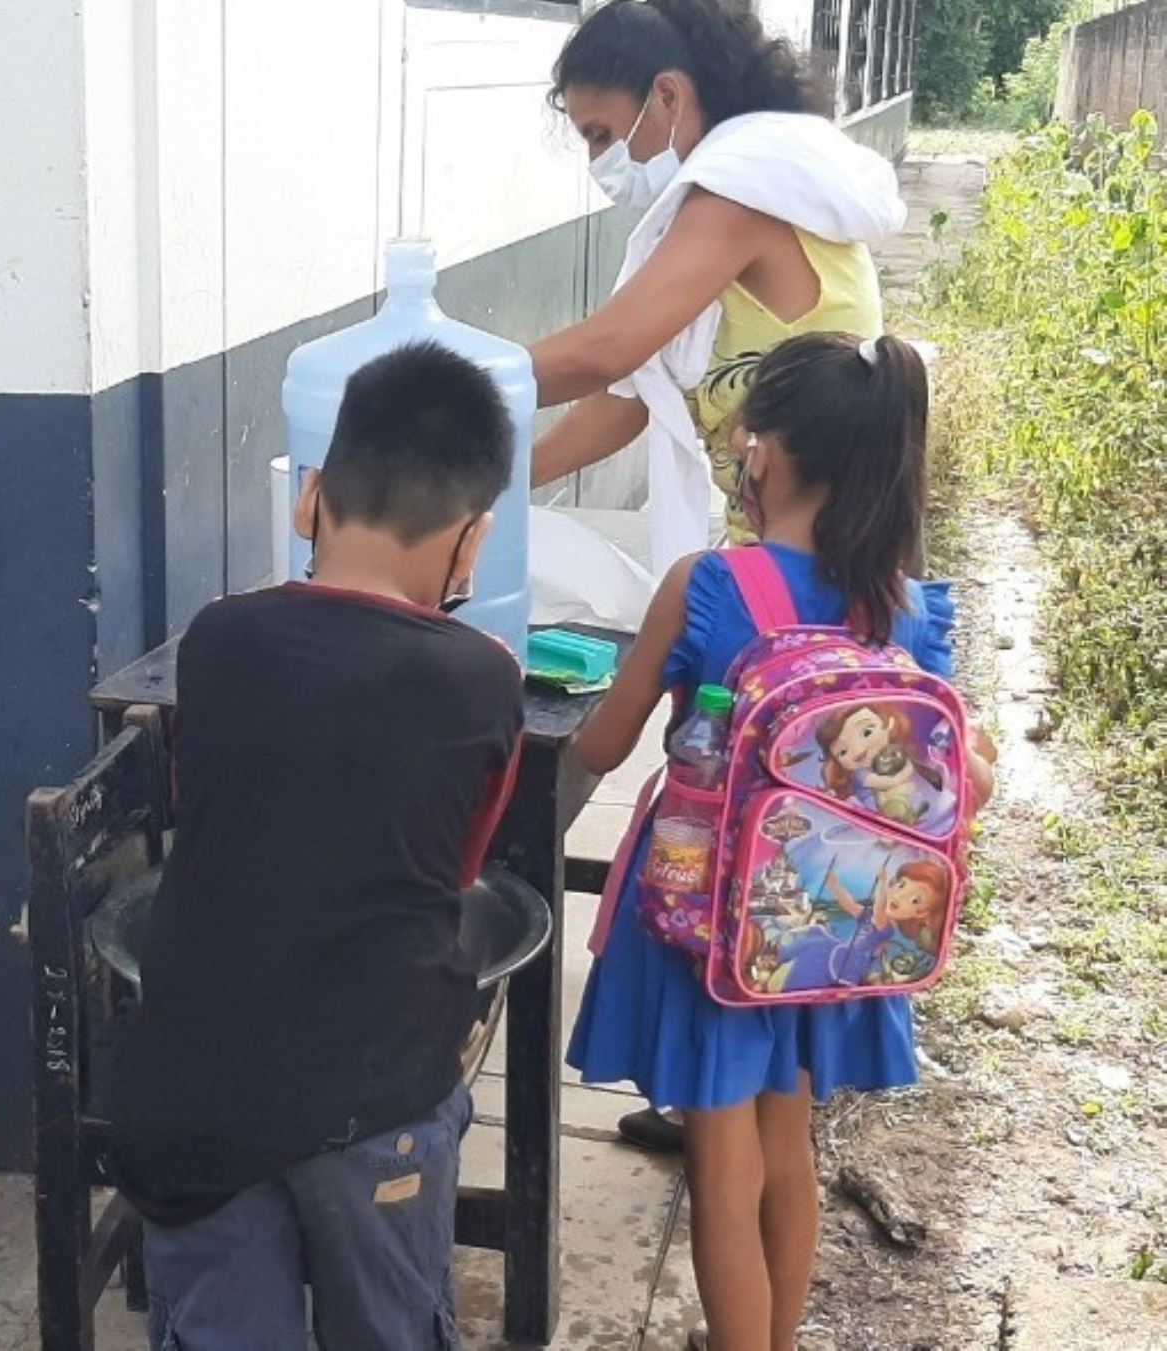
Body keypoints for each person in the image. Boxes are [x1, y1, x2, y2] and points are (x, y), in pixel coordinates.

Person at [566, 332, 996, 1351]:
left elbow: (603, 740)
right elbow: (962, 780)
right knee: (787, 1145)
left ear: (763, 452)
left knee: (723, 1165)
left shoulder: (709, 583)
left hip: (711, 927)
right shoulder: (902, 608)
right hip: (834, 930)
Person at [114, 342, 526, 1351]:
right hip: (375, 1094)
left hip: (191, 1092)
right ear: (471, 542)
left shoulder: (216, 639)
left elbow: (217, 815)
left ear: (309, 500)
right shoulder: (483, 678)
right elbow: (458, 872)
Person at [527, 0, 905, 565]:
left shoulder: (739, 196)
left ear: (668, 97)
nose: (600, 160)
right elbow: (624, 400)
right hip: (780, 552)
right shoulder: (741, 189)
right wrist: (499, 480)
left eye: (603, 134)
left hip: (818, 572)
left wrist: (445, 384)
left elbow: (607, 350)